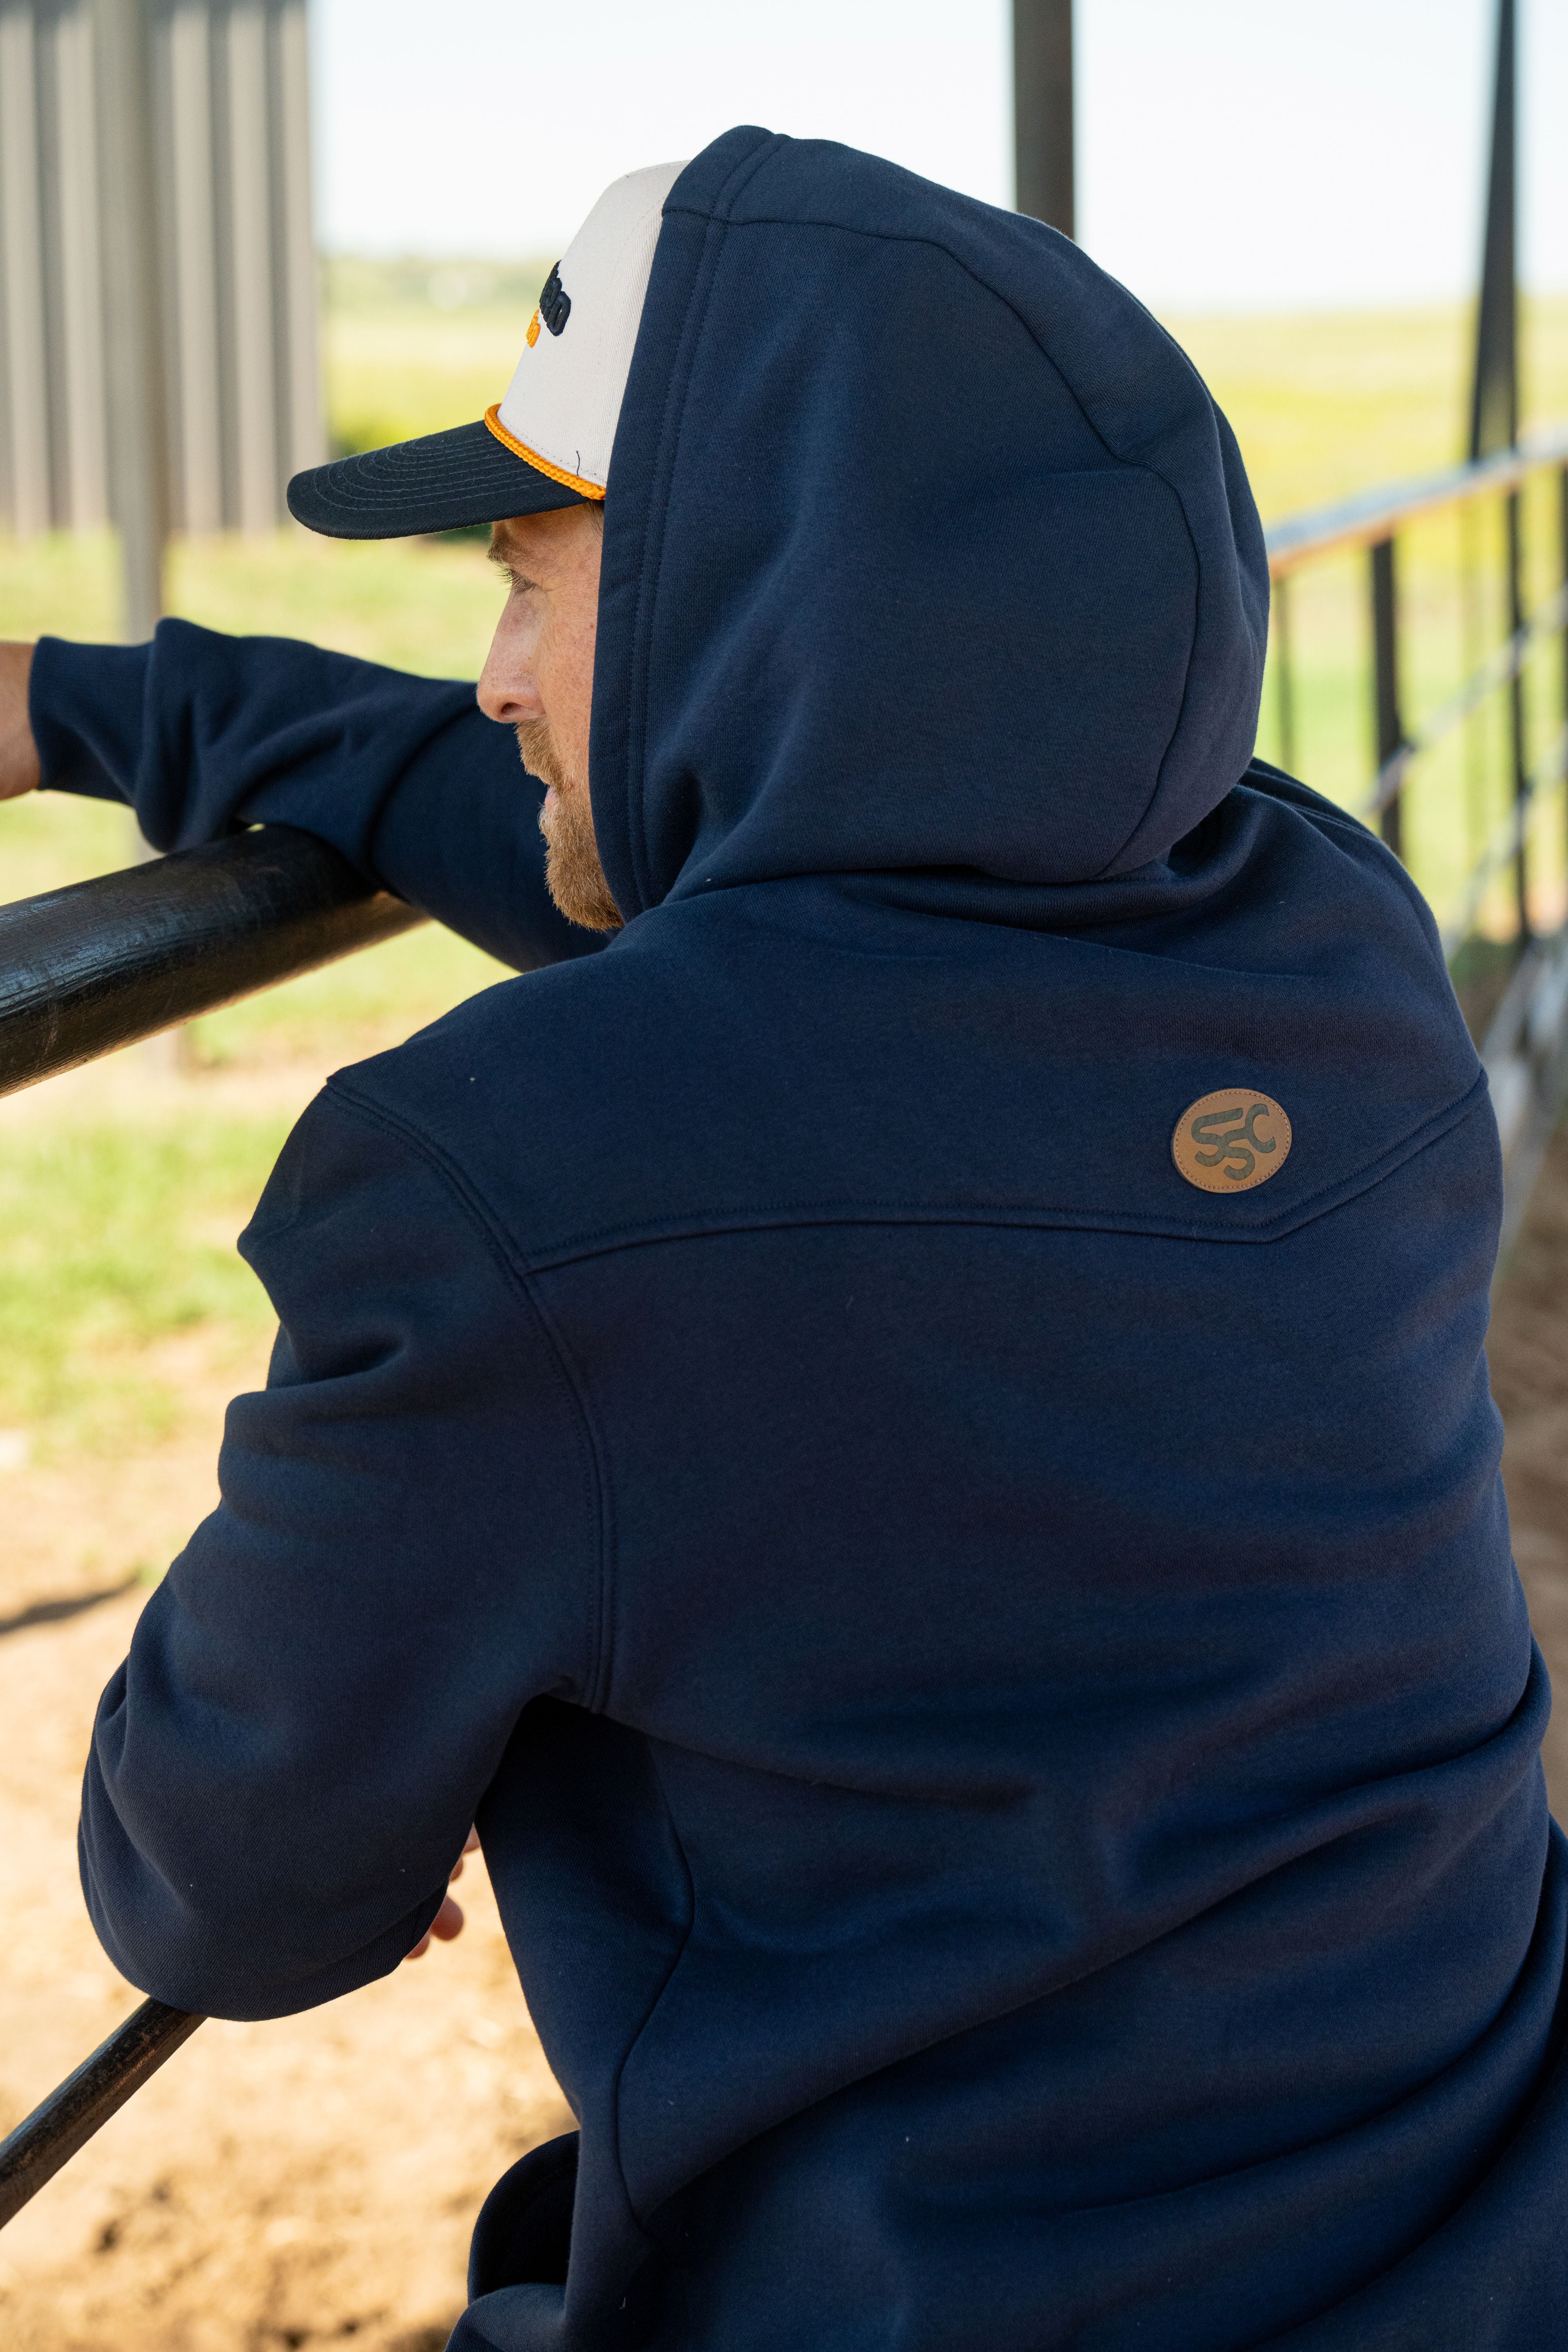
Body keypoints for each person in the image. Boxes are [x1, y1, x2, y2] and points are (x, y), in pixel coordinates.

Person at [2, 126, 1565, 2350]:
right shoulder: (1334, 937)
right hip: (1486, 2221)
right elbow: (695, 847)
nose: (496, 680)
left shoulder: (506, 1191)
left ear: (741, 613)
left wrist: (381, 1708)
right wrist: (89, 704)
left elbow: (221, 1893)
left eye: (529, 581)